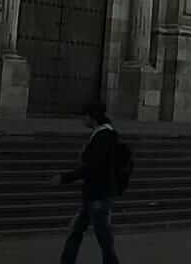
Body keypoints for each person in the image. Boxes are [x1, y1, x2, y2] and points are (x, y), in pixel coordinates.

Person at [54, 101, 122, 264]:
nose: (82, 120)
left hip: (98, 194)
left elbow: (93, 166)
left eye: (84, 116)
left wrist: (65, 178)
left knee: (102, 235)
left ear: (92, 117)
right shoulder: (105, 134)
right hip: (95, 193)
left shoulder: (103, 136)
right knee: (79, 231)